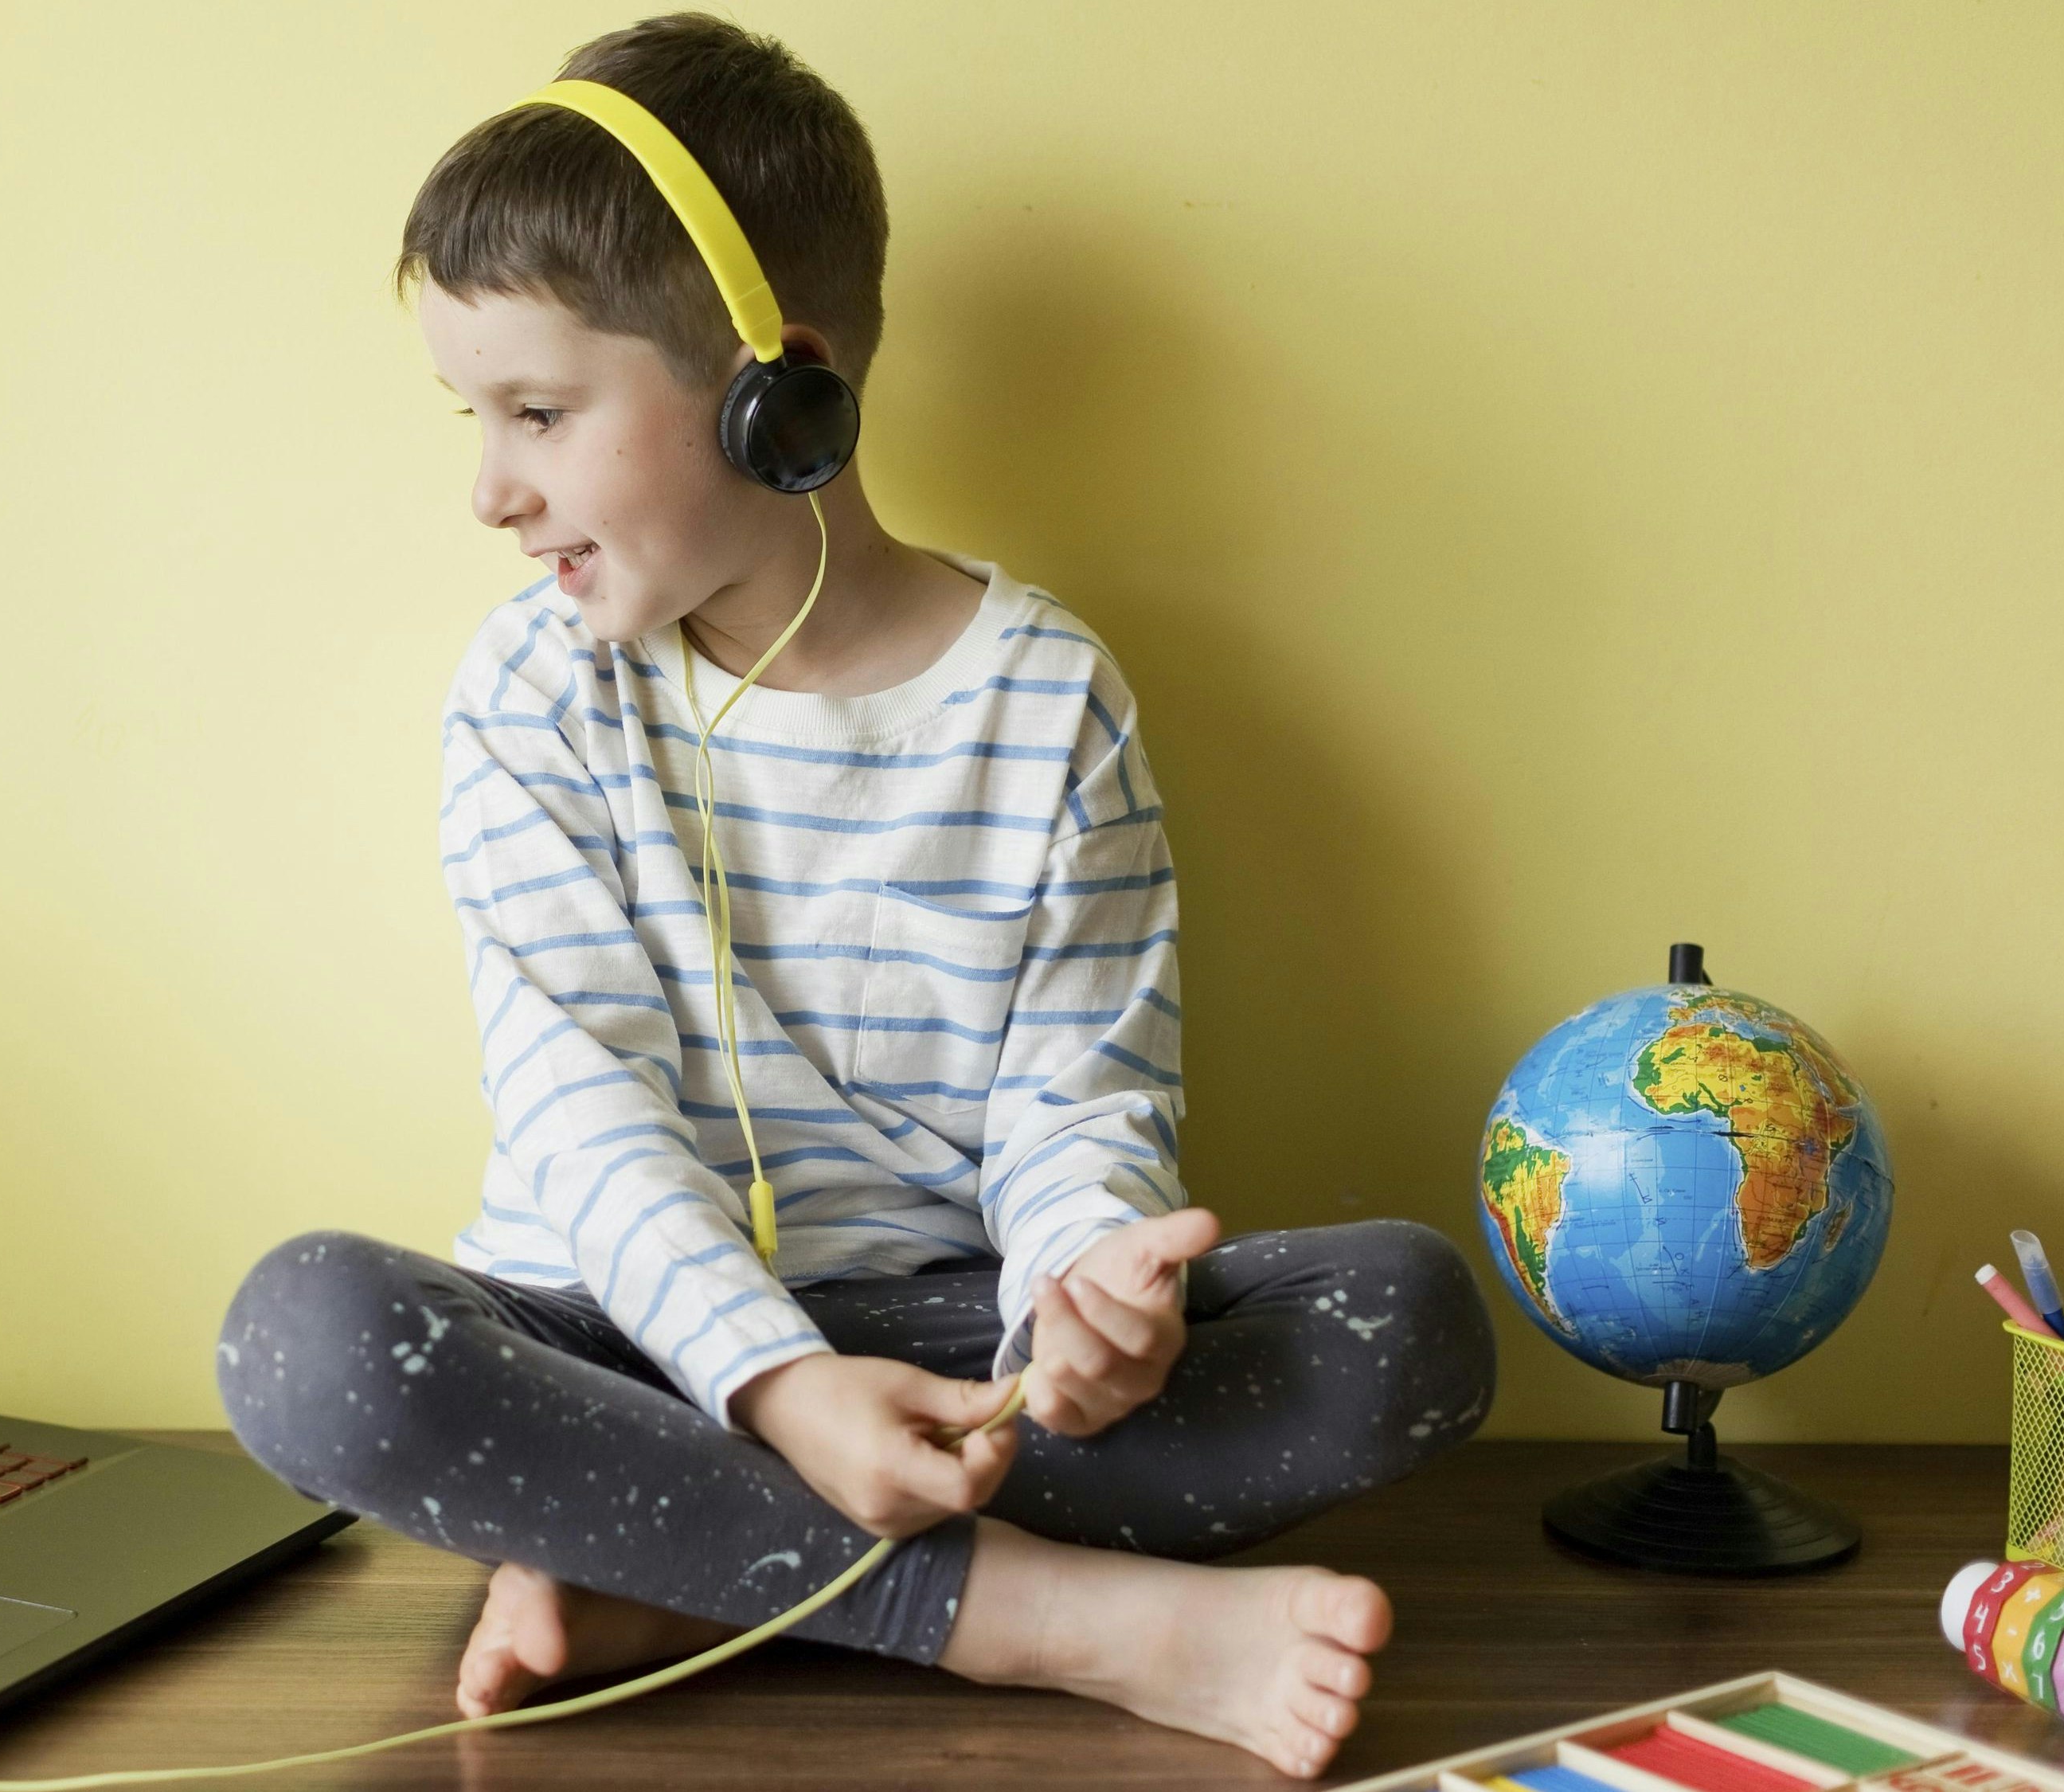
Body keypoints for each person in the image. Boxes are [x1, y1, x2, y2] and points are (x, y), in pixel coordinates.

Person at [217, 14, 1494, 1779]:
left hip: (928, 1347)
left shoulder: (1048, 701)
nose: (489, 492)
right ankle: (1022, 1619)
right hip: (616, 1345)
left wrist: (1078, 1296)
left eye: (536, 412)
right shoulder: (535, 691)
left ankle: (676, 1571)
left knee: (1402, 1322)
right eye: (476, 417)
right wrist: (773, 1389)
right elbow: (579, 1114)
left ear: (775, 392)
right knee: (308, 1343)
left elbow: (1075, 1098)